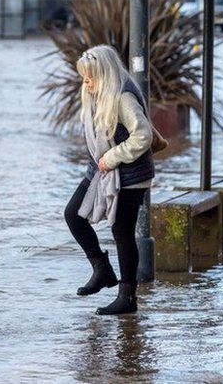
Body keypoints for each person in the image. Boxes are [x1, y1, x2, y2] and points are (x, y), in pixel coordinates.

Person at [64, 45, 154, 315]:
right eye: (84, 77)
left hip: (130, 174)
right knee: (73, 214)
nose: (86, 83)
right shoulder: (97, 94)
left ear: (103, 74)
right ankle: (102, 269)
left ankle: (127, 297)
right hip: (100, 170)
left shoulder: (123, 96)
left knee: (122, 232)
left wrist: (112, 157)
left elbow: (143, 136)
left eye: (89, 77)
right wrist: (102, 162)